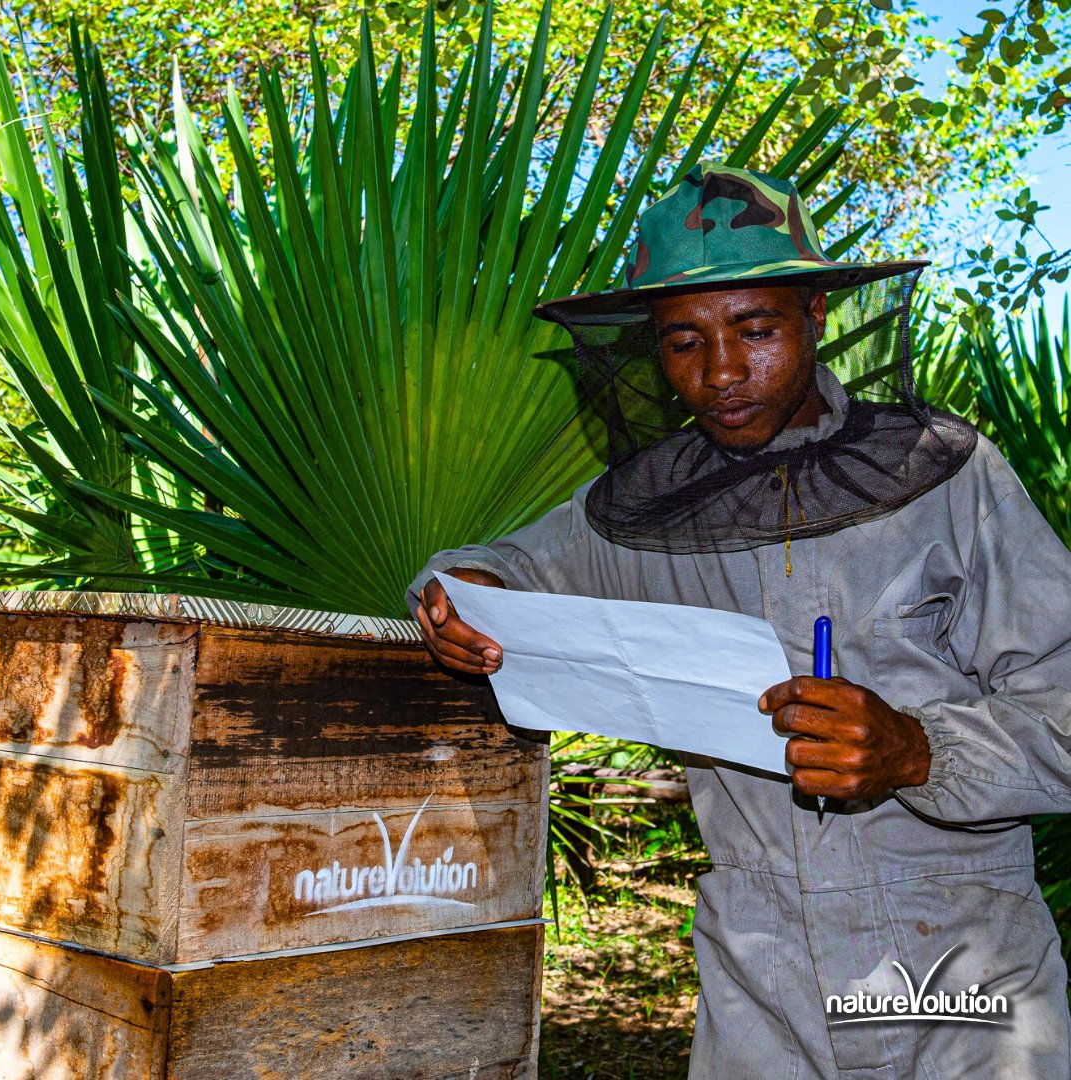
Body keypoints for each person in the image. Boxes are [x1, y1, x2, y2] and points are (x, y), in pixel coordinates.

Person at [407, 163, 1071, 1078]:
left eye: (755, 329)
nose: (720, 373)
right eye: (683, 342)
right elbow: (503, 565)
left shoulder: (949, 477)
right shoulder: (637, 506)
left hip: (963, 959)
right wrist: (457, 593)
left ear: (817, 317)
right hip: (762, 976)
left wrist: (919, 751)